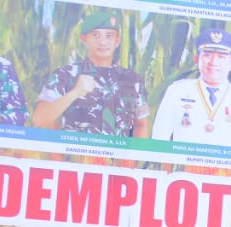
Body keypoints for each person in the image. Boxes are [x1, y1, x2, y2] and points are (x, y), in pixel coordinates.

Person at [32, 9, 148, 137]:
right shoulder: (65, 75)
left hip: (116, 156)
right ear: (84, 39)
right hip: (75, 154)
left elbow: (141, 124)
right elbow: (39, 119)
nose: (103, 42)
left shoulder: (133, 80)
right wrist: (75, 93)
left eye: (109, 36)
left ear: (117, 41)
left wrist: (131, 156)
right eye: (96, 35)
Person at [151, 28, 231, 148]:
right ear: (196, 60)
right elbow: (158, 140)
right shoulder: (177, 92)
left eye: (221, 56)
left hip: (227, 166)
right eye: (207, 55)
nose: (213, 62)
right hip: (184, 166)